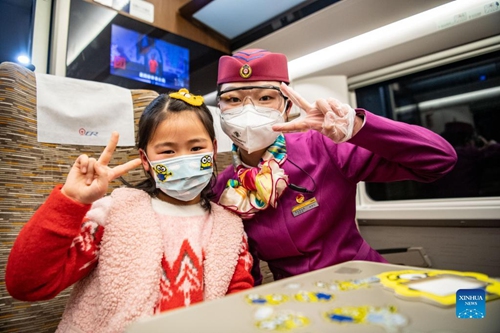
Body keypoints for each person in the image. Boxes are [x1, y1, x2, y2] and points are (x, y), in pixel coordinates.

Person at [5, 89, 253, 333]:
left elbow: (238, 306)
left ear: (213, 148)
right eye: (167, 151)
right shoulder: (114, 214)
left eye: (196, 148)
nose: (183, 159)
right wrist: (70, 201)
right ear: (146, 160)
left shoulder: (228, 227)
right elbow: (28, 285)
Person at [212, 49, 458, 284]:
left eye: (265, 98)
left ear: (287, 108)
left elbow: (439, 160)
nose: (247, 111)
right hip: (294, 298)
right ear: (220, 110)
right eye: (232, 100)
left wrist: (359, 128)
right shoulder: (222, 187)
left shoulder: (325, 145)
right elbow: (244, 267)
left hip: (363, 279)